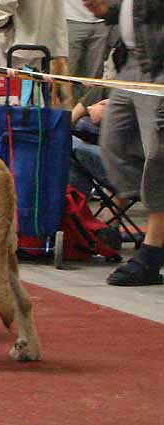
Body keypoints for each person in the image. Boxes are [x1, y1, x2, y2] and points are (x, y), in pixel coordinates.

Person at [83, 0, 164, 287]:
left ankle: (153, 250)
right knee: (114, 143)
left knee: (158, 156)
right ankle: (157, 216)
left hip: (157, 65)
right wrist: (111, 12)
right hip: (130, 63)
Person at [65, 0, 109, 100]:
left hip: (102, 20)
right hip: (71, 18)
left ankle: (85, 112)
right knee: (68, 74)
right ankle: (67, 113)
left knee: (94, 76)